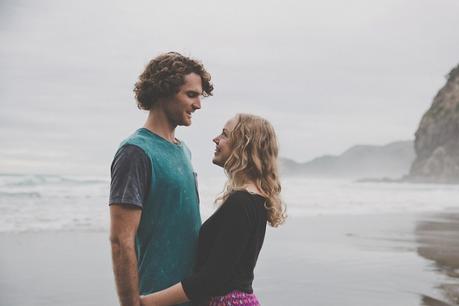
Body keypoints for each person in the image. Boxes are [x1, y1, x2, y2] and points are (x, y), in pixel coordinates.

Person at [140, 113, 286, 306]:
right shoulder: (255, 200)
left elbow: (211, 279)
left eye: (225, 134)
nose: (215, 139)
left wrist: (144, 302)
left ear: (244, 146)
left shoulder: (241, 203)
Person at [109, 52, 213, 306]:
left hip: (191, 293)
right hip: (156, 295)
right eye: (191, 95)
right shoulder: (136, 152)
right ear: (163, 92)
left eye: (200, 96)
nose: (199, 104)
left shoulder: (182, 150)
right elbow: (120, 241)